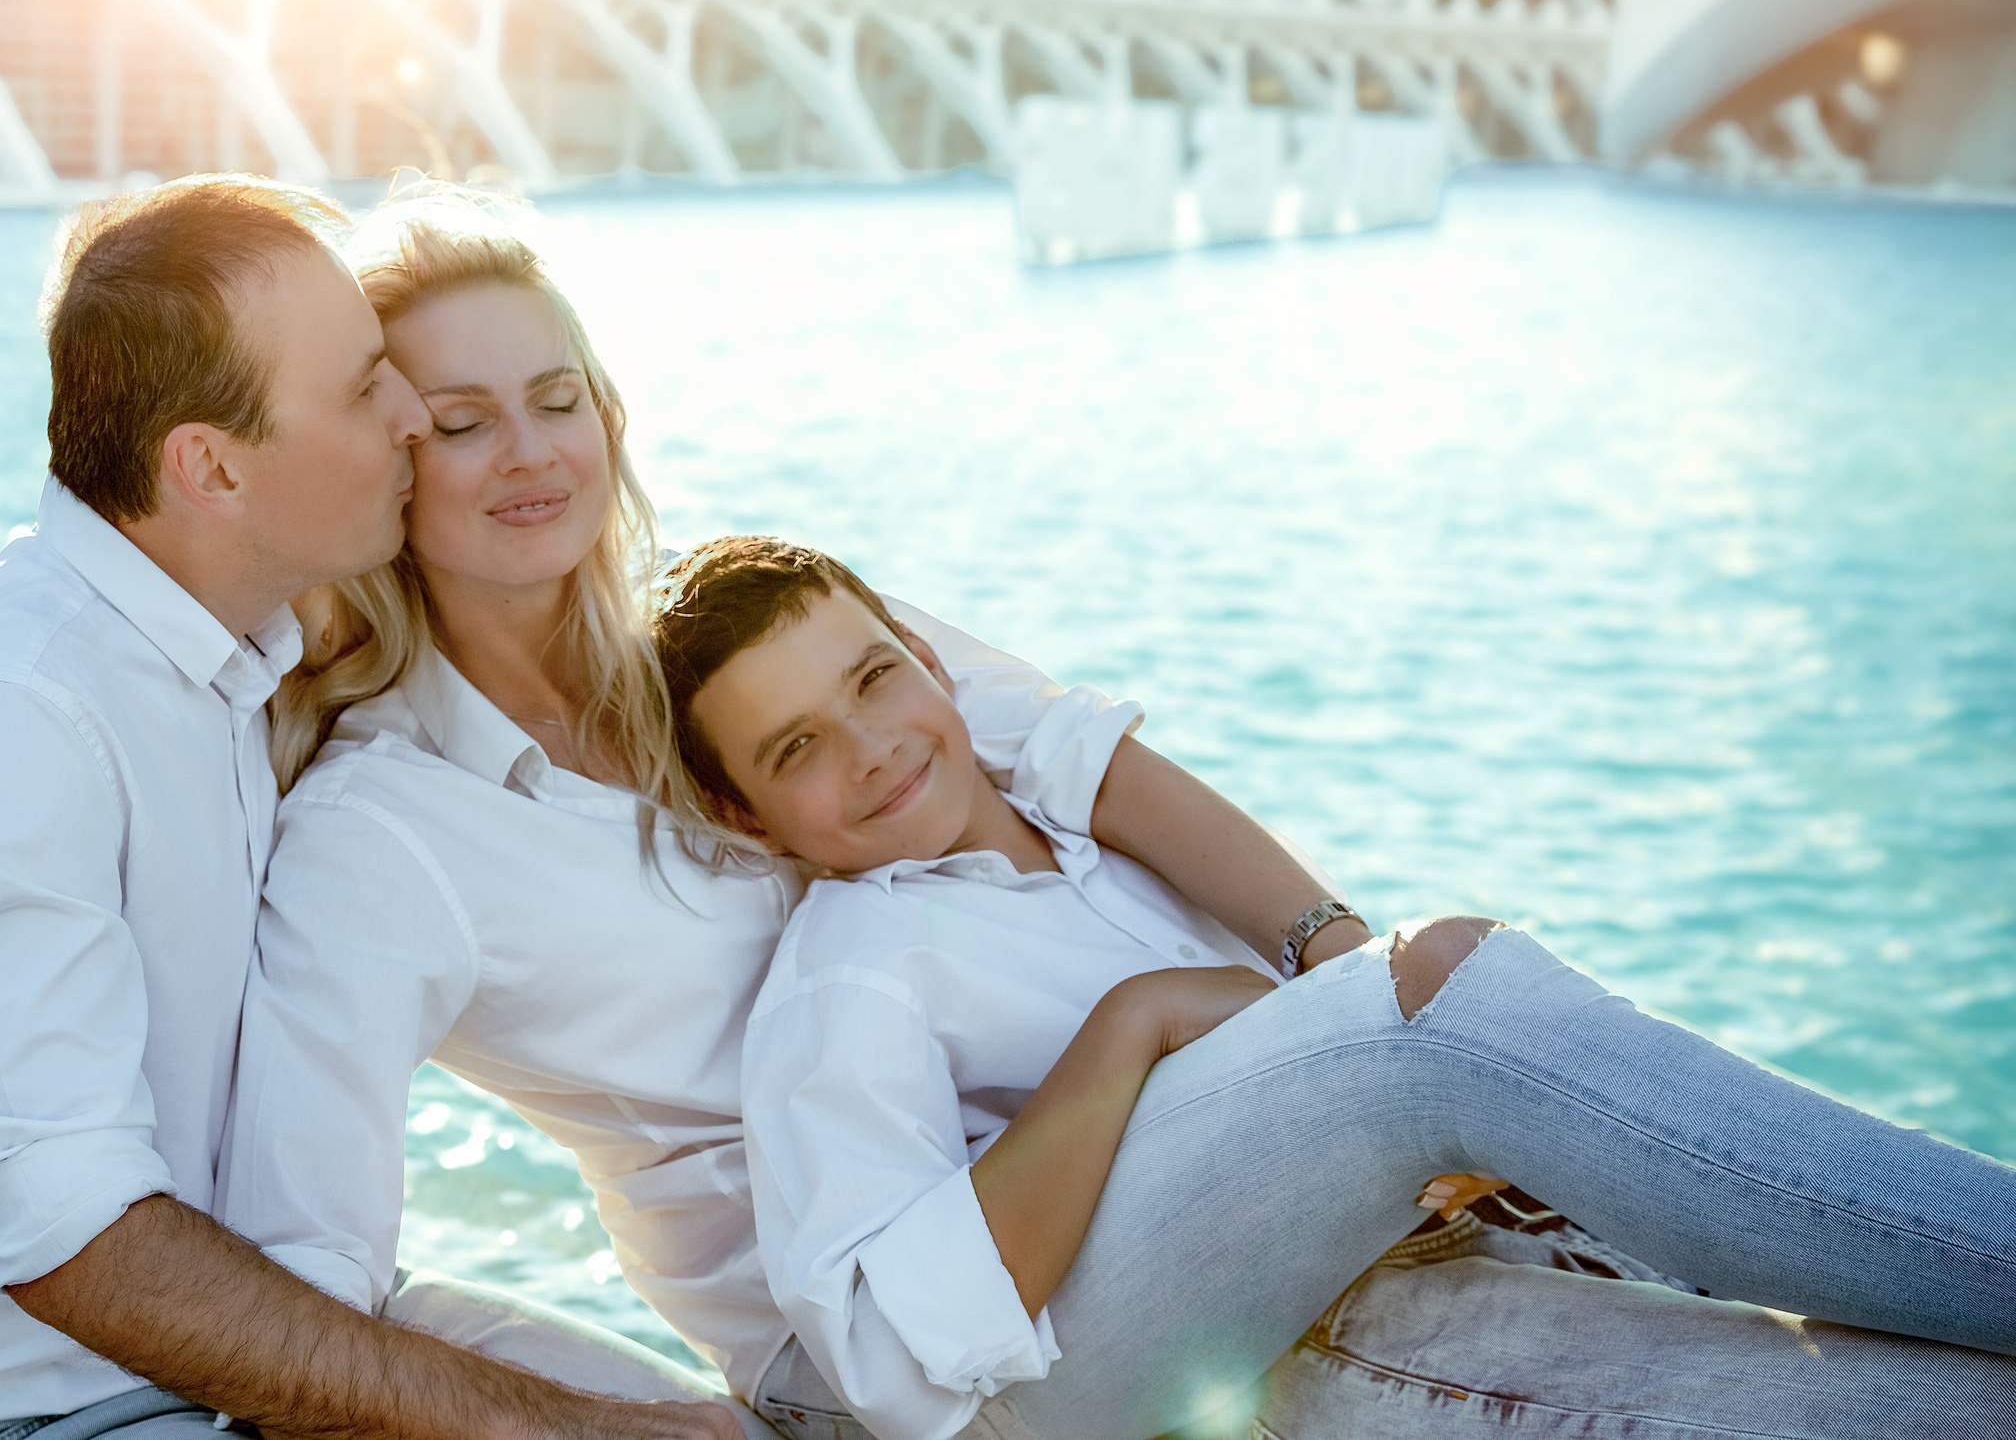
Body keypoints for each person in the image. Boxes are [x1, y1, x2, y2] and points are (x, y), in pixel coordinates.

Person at [218, 190, 1371, 1434]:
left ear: (605, 412)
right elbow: (297, 1267)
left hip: (1113, 1182)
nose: (530, 453)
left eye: (556, 401)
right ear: (388, 456)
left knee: (1441, 1042)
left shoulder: (739, 637)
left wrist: (1340, 959)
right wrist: (605, 1425)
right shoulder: (384, 832)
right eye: (461, 424)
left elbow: (1081, 762)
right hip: (882, 1353)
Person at [651, 533, 2016, 1440]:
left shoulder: (1073, 829)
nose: (875, 747)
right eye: (799, 746)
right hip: (1073, 1383)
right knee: (1440, 995)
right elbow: (896, 1351)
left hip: (1350, 1281)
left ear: (933, 658)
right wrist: (1142, 1025)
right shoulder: (854, 974)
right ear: (746, 809)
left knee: (1948, 1398)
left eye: (877, 675)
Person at [0, 175, 750, 1440]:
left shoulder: (236, 650)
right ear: (209, 467)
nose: (415, 419)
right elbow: (72, 1241)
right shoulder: (15, 718)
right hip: (53, 1411)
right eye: (366, 387)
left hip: (229, 1325)